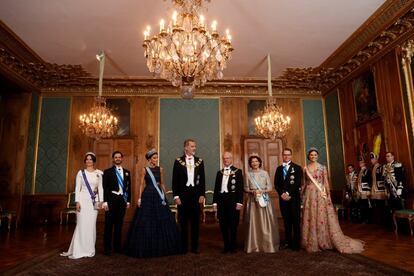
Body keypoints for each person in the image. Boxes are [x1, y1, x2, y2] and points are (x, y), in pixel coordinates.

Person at [301, 147, 364, 253]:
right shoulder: (305, 168)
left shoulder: (322, 167)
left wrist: (327, 196)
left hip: (320, 194)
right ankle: (311, 240)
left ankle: (323, 240)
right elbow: (304, 183)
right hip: (309, 195)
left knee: (320, 216)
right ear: (309, 156)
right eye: (311, 155)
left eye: (315, 155)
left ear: (318, 156)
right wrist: (302, 196)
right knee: (311, 215)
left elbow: (325, 182)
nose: (313, 156)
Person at [124, 149, 181, 257]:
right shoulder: (145, 170)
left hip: (159, 195)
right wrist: (139, 198)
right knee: (146, 219)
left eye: (156, 158)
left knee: (162, 218)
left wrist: (165, 196)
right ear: (149, 159)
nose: (156, 160)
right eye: (154, 158)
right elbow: (141, 184)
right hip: (148, 195)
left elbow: (162, 183)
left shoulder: (160, 169)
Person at [60, 152, 103, 259]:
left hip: (93, 203)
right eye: (87, 159)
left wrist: (101, 201)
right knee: (81, 225)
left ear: (94, 161)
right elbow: (77, 188)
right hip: (83, 202)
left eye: (91, 159)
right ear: (85, 161)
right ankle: (79, 249)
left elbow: (101, 188)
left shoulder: (99, 173)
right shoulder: (81, 173)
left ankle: (89, 249)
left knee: (91, 225)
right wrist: (77, 201)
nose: (89, 161)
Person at [172, 139, 205, 254]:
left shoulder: (200, 161)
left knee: (196, 223)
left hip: (195, 196)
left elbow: (202, 180)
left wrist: (202, 194)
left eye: (195, 146)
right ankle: (184, 247)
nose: (194, 148)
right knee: (183, 222)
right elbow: (174, 180)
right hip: (182, 196)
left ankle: (195, 247)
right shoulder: (178, 161)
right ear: (186, 147)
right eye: (192, 146)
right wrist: (176, 196)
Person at [243, 155, 279, 253]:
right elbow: (245, 188)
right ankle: (254, 245)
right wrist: (253, 191)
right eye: (252, 162)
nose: (254, 163)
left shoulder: (265, 173)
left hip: (264, 199)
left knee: (265, 222)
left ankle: (267, 244)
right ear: (250, 164)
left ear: (259, 162)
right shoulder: (247, 174)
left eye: (256, 161)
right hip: (252, 201)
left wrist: (262, 191)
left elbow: (270, 187)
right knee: (253, 222)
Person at [213, 152, 244, 253]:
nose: (226, 160)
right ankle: (226, 245)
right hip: (221, 202)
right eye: (224, 158)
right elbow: (216, 188)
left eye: (228, 158)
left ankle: (233, 245)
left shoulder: (238, 172)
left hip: (233, 202)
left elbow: (240, 188)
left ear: (231, 159)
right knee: (223, 224)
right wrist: (215, 203)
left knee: (233, 224)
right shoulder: (219, 172)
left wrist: (239, 202)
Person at [103, 151, 131, 255]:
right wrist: (105, 202)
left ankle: (117, 247)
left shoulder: (127, 172)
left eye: (119, 157)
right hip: (111, 200)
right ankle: (107, 248)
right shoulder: (107, 172)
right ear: (113, 159)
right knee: (109, 225)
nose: (118, 159)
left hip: (122, 201)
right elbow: (104, 188)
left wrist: (128, 200)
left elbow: (129, 188)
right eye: (116, 157)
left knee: (119, 225)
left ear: (122, 158)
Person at [274, 148, 302, 251]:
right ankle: (288, 242)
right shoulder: (279, 169)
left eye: (288, 155)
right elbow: (276, 184)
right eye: (284, 155)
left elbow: (297, 183)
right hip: (283, 199)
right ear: (282, 156)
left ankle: (296, 243)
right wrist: (282, 193)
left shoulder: (297, 168)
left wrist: (288, 193)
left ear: (291, 155)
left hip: (294, 198)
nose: (286, 156)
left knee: (295, 220)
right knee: (286, 221)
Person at [370, 152, 387, 224]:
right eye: (371, 159)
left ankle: (383, 220)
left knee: (382, 205)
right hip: (374, 189)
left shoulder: (380, 167)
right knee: (377, 205)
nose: (371, 160)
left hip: (380, 189)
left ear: (376, 159)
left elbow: (383, 177)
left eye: (373, 159)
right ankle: (379, 220)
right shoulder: (373, 168)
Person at [356, 157, 372, 223]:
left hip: (365, 190)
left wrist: (369, 190)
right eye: (359, 162)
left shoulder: (367, 170)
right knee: (362, 205)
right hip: (360, 190)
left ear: (364, 163)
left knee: (366, 205)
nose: (360, 164)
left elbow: (369, 180)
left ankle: (368, 219)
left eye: (361, 162)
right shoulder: (359, 171)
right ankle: (363, 218)